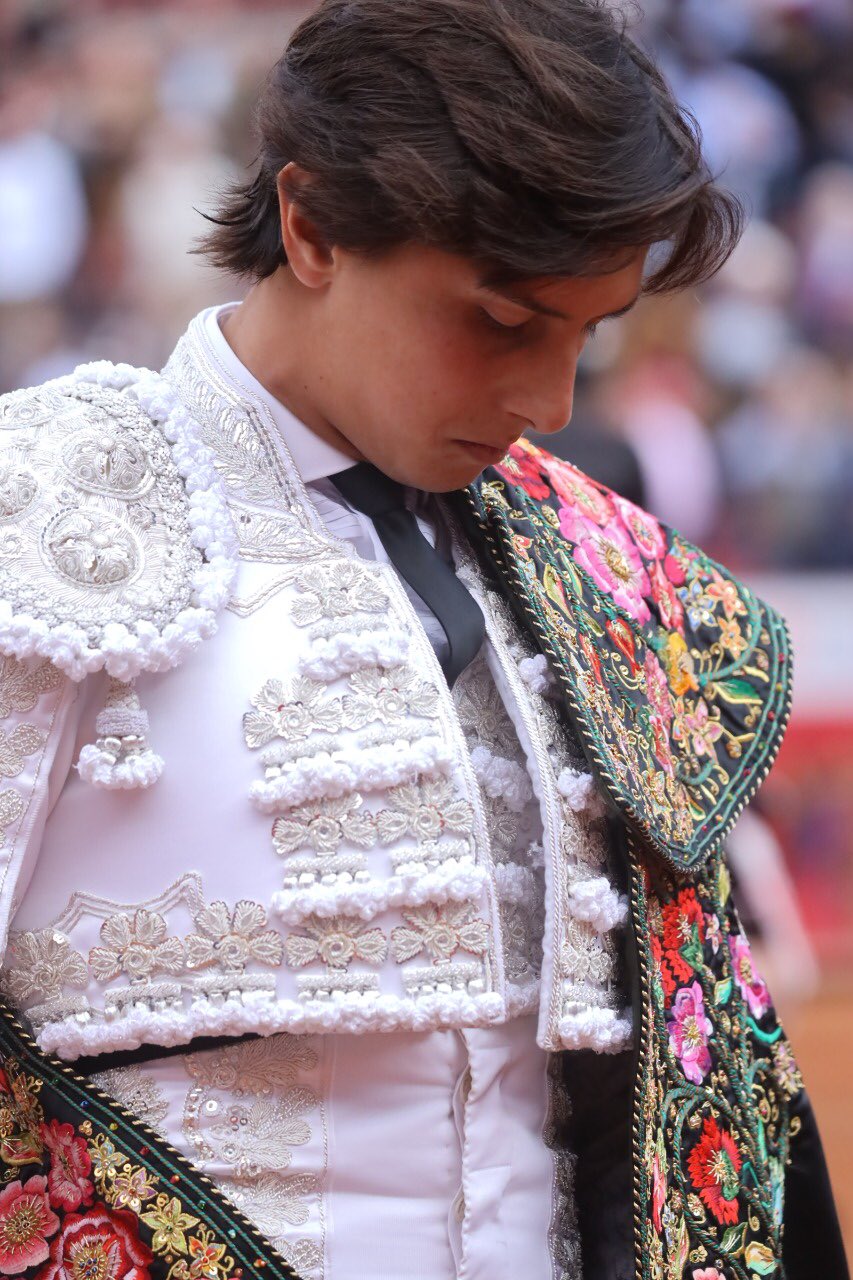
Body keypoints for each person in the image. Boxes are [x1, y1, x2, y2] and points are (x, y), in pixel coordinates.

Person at [0, 2, 845, 1278]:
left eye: (585, 332)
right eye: (502, 322)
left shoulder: (584, 565)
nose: (546, 401)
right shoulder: (44, 511)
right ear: (312, 225)